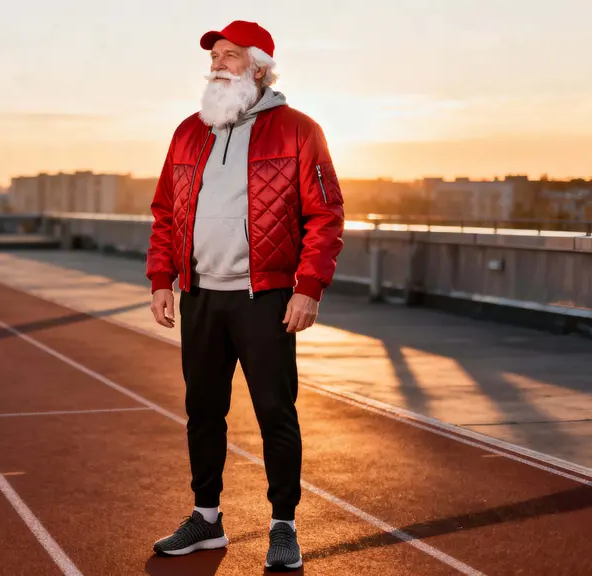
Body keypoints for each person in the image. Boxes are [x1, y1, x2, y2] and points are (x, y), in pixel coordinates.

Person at [145, 20, 345, 571]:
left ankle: (284, 525)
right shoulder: (189, 131)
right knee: (202, 411)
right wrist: (161, 279)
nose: (217, 65)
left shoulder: (300, 130)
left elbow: (325, 215)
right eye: (214, 57)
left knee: (275, 412)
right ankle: (205, 519)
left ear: (258, 67)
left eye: (229, 56)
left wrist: (308, 288)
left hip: (267, 298)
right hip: (202, 295)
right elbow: (165, 212)